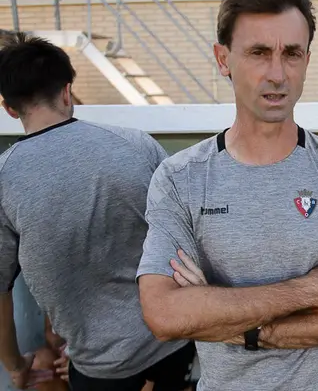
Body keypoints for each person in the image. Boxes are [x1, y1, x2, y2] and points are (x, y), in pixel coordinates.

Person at [135, 0, 318, 391]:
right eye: (258, 52)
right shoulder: (181, 178)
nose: (277, 73)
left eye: (292, 53)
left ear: (307, 60)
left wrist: (240, 328)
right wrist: (308, 290)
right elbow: (165, 313)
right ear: (223, 59)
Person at [0, 33, 196, 391]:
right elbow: (188, 236)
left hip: (98, 369)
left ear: (9, 109)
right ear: (66, 92)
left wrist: (14, 364)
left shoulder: (4, 178)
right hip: (173, 341)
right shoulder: (137, 145)